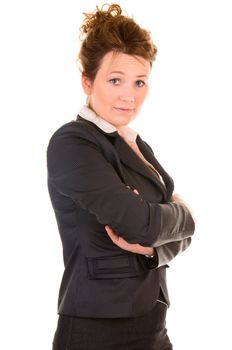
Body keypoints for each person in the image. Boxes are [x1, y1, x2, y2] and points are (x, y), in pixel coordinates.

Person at [47, 4, 195, 349]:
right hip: (97, 329)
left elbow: (166, 236)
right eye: (115, 80)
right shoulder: (73, 143)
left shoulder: (131, 142)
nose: (129, 95)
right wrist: (185, 215)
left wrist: (152, 248)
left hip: (152, 322)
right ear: (87, 80)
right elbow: (141, 226)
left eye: (139, 82)